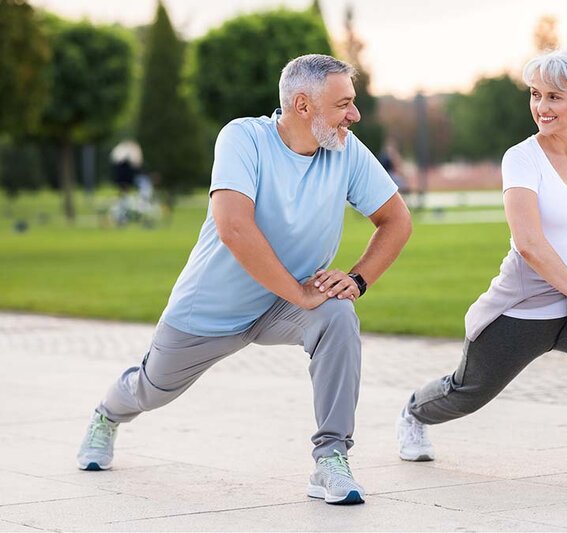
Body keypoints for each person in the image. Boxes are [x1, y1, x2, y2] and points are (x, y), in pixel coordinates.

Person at [76, 54, 412, 505]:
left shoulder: (345, 149)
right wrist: (298, 291)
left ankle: (331, 458)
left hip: (285, 307)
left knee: (337, 316)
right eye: (343, 104)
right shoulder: (243, 139)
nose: (354, 115)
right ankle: (106, 415)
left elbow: (395, 220)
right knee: (151, 388)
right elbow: (234, 227)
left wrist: (357, 279)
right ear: (302, 105)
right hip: (212, 309)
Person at [396, 50, 567, 494]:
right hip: (524, 306)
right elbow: (529, 243)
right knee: (467, 391)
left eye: (554, 97)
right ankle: (413, 413)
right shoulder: (521, 158)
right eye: (535, 94)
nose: (541, 107)